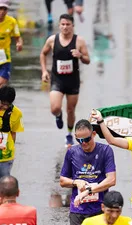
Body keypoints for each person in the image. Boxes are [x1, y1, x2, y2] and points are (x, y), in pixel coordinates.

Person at [60, 119, 116, 225]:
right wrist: (75, 182)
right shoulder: (72, 152)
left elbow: (111, 180)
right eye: (79, 140)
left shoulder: (105, 150)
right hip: (78, 211)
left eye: (86, 139)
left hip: (100, 209)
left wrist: (91, 189)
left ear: (94, 134)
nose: (83, 143)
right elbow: (63, 180)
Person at [40, 14, 90, 147]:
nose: (65, 27)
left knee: (71, 110)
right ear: (59, 25)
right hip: (57, 79)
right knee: (55, 108)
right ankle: (58, 115)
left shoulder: (79, 41)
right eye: (62, 24)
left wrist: (80, 56)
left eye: (68, 24)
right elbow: (43, 53)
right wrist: (44, 71)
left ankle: (69, 134)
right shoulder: (52, 40)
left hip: (73, 80)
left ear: (73, 25)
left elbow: (87, 59)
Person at [0, 86, 24, 178]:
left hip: (6, 156)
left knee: (4, 182)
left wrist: (11, 149)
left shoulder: (17, 113)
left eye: (8, 104)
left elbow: (13, 133)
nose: (5, 107)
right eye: (2, 103)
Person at [0, 0, 23, 87]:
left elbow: (18, 37)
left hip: (5, 57)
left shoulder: (12, 22)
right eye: (0, 8)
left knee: (2, 82)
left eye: (4, 9)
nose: (2, 11)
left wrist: (19, 44)